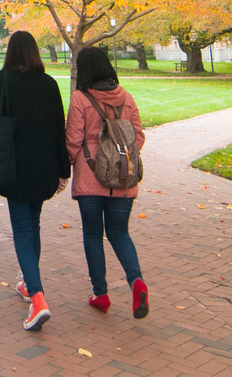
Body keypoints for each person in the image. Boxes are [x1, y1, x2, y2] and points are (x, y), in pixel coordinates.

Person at [0, 30, 70, 331]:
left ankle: (38, 297)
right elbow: (61, 130)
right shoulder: (49, 84)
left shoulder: (1, 79)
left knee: (22, 229)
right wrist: (63, 170)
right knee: (33, 225)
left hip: (14, 166)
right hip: (43, 167)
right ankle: (29, 285)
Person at [66, 46, 148, 319]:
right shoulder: (126, 97)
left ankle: (101, 294)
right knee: (120, 233)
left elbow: (74, 140)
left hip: (90, 178)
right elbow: (138, 137)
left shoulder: (80, 98)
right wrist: (118, 157)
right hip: (123, 178)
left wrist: (64, 168)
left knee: (92, 235)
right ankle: (136, 281)